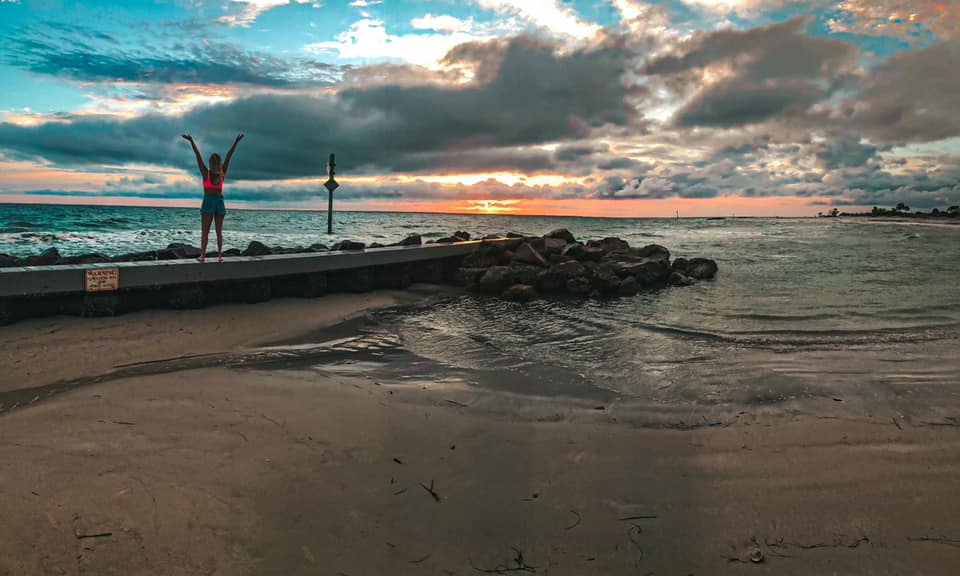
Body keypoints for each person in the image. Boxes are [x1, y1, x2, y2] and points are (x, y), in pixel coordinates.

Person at [181, 133, 244, 262]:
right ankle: (220, 256)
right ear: (219, 163)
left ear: (210, 163)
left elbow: (197, 156)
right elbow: (229, 156)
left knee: (205, 231)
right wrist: (236, 142)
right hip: (220, 202)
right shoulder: (222, 173)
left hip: (208, 201)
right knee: (218, 232)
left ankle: (203, 255)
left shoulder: (206, 173)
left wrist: (191, 141)